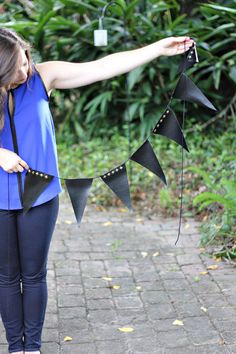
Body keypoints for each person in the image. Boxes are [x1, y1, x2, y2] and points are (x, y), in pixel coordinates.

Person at [0, 27, 194, 354]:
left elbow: (104, 66)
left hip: (41, 199)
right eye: (16, 66)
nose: (25, 70)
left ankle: (30, 348)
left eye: (26, 60)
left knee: (33, 276)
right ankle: (13, 348)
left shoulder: (41, 78)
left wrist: (158, 48)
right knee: (6, 277)